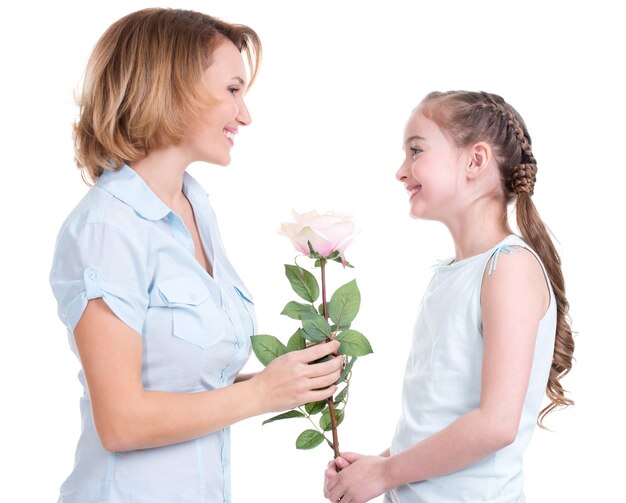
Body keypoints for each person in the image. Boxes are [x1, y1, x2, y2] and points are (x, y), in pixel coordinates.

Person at [49, 8, 343, 503]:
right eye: (233, 90)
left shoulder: (195, 207)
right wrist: (261, 393)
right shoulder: (107, 228)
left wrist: (289, 380)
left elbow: (191, 383)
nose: (245, 114)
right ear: (173, 86)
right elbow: (121, 422)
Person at [324, 90, 575, 503]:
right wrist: (377, 466)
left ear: (475, 161)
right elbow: (440, 419)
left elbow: (496, 425)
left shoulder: (509, 268)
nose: (401, 172)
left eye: (415, 151)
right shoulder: (453, 273)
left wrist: (387, 472)